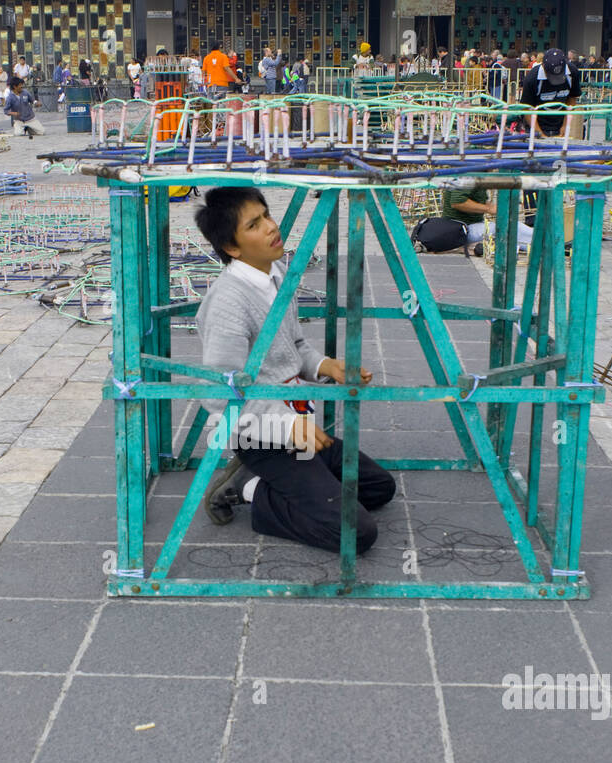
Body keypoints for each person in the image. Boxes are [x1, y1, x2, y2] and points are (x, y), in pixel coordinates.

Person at [193, 187, 396, 552]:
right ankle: (247, 488)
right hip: (261, 436)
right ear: (233, 248)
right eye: (254, 225)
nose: (271, 227)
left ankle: (290, 486)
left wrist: (325, 365)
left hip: (297, 423)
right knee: (357, 533)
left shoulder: (275, 274)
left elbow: (295, 346)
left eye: (266, 215)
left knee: (380, 488)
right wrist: (287, 427)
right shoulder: (228, 302)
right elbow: (219, 395)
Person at [434, 181, 534, 255]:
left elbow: (479, 202)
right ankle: (540, 242)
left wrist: (497, 208)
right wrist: (489, 208)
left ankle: (536, 242)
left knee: (510, 228)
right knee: (509, 227)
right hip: (462, 230)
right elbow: (458, 202)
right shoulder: (468, 176)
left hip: (470, 227)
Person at [519, 47, 580, 137]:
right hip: (537, 124)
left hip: (559, 123)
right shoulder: (532, 78)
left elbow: (572, 98)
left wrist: (565, 125)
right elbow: (527, 108)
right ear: (543, 66)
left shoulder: (572, 72)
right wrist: (539, 133)